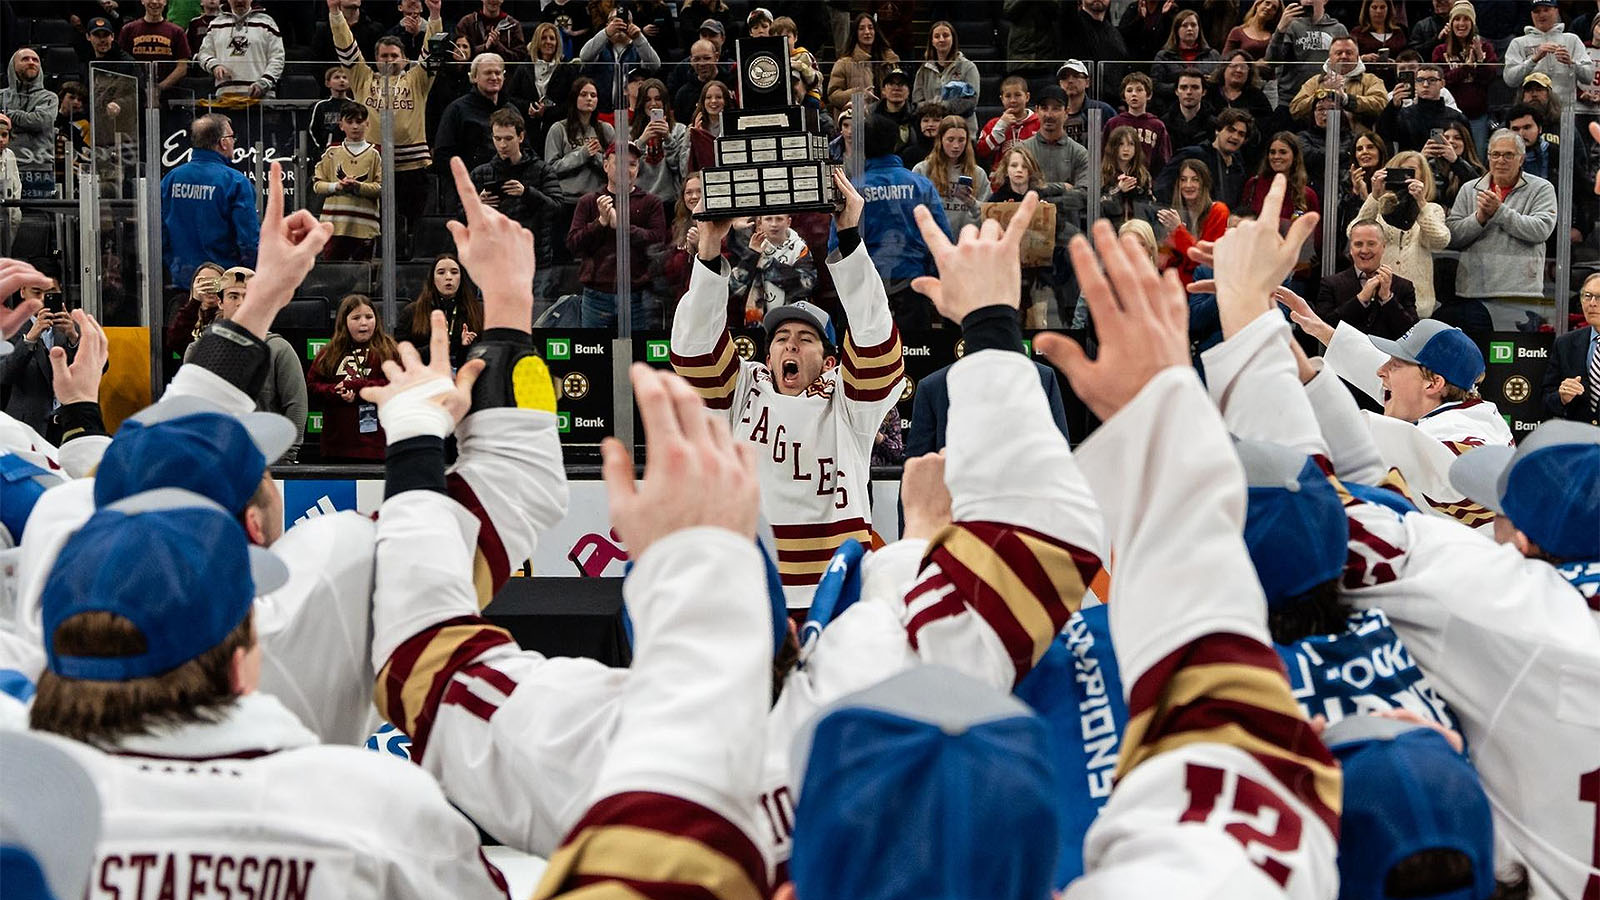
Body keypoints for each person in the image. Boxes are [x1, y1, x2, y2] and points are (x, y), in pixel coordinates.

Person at [674, 170, 904, 607]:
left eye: (805, 338)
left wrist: (851, 235)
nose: (790, 345)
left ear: (830, 360)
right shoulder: (744, 388)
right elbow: (694, 350)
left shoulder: (847, 404)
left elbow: (875, 338)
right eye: (780, 339)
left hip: (836, 590)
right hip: (754, 591)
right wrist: (708, 249)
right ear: (767, 355)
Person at [328, 0, 442, 252]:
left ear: (404, 59)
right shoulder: (362, 77)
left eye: (394, 56)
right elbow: (346, 47)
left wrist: (434, 15)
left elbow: (432, 54)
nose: (389, 60)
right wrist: (335, 12)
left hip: (412, 166)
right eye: (384, 56)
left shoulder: (417, 79)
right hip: (373, 166)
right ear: (376, 59)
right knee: (371, 229)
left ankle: (406, 274)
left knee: (411, 230)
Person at [829, 114, 950, 331]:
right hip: (913, 285)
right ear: (896, 143)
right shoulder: (921, 185)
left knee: (866, 360)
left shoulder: (850, 191)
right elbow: (943, 240)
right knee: (917, 358)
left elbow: (835, 247)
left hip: (864, 289)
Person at [181, 267, 307, 460]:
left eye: (247, 297)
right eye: (233, 296)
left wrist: (287, 455)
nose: (241, 303)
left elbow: (296, 405)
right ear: (221, 302)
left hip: (267, 460)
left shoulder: (278, 349)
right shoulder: (198, 351)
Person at [1443, 128, 1557, 332]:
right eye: (1495, 154)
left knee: (1514, 364)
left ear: (1521, 159)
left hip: (1520, 296)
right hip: (1473, 294)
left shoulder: (1542, 188)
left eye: (1508, 155)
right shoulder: (1470, 189)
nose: (1500, 160)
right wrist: (1480, 218)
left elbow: (1541, 230)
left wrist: (1499, 211)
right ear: (1488, 157)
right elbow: (1453, 236)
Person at [567, 142, 667, 330]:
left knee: (639, 356)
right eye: (620, 163)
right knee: (593, 352)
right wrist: (600, 223)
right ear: (605, 166)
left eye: (632, 164)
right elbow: (573, 244)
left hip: (638, 295)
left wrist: (621, 226)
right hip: (596, 296)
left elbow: (658, 242)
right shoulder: (589, 202)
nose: (626, 169)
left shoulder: (651, 202)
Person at [159, 114, 257, 289]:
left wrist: (173, 266)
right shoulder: (235, 182)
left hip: (181, 282)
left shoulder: (171, 179)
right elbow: (248, 241)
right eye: (232, 137)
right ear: (223, 142)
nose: (234, 141)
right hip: (223, 285)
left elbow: (160, 233)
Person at [1353, 151, 1450, 317]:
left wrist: (1420, 204)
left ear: (1422, 176)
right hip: (1377, 297)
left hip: (1417, 302)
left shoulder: (1432, 209)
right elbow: (1353, 233)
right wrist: (1375, 196)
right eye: (1398, 170)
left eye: (1410, 170)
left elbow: (1440, 241)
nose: (1404, 176)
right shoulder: (1378, 206)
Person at [470, 108, 563, 280]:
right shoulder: (479, 174)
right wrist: (477, 206)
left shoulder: (542, 170)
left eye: (508, 138)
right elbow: (462, 217)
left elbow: (557, 209)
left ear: (520, 137)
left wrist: (527, 193)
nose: (503, 145)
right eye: (497, 139)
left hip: (533, 259)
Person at [305, 293, 396, 461]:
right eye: (356, 318)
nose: (364, 323)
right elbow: (312, 386)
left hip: (377, 446)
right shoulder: (328, 353)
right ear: (344, 322)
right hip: (336, 446)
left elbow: (396, 387)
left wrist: (358, 387)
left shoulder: (388, 350)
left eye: (369, 317)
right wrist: (334, 390)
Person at [544, 77, 611, 269]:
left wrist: (597, 157)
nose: (589, 99)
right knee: (564, 261)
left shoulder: (606, 130)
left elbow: (615, 168)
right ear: (574, 98)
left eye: (593, 95)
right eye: (583, 94)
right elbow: (551, 168)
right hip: (566, 203)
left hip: (596, 203)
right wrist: (582, 154)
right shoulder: (558, 129)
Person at [1313, 218, 1419, 337]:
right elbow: (1322, 328)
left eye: (1371, 244)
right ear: (1351, 249)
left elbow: (1412, 334)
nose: (1364, 250)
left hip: (1388, 355)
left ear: (1383, 247)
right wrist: (1360, 299)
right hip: (1346, 354)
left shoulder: (1404, 286)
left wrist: (1387, 299)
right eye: (1358, 244)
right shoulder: (1330, 284)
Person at [1, 278, 77, 437]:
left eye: (50, 293)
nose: (43, 298)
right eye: (36, 292)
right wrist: (29, 340)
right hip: (27, 428)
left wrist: (74, 339)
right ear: (22, 291)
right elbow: (4, 374)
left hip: (70, 426)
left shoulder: (72, 326)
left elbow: (100, 368)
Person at [1241, 133, 1319, 278]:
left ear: (1294, 156)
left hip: (1293, 272)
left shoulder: (1307, 194)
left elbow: (1316, 237)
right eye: (1272, 152)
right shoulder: (1253, 185)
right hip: (1255, 267)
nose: (1276, 156)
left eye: (1283, 152)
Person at [313, 102, 382, 262]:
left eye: (359, 122)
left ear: (367, 123)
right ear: (341, 125)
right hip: (334, 226)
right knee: (332, 273)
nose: (355, 127)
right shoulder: (331, 152)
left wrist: (358, 187)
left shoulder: (375, 154)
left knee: (362, 277)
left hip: (364, 227)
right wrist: (336, 186)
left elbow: (380, 187)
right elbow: (317, 185)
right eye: (350, 122)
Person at [435, 53, 514, 183]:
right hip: (470, 188)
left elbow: (525, 150)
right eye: (488, 73)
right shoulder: (456, 110)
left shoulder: (512, 110)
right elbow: (442, 157)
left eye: (498, 73)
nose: (494, 77)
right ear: (474, 77)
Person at [397, 253, 482, 368]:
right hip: (424, 378)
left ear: (461, 278)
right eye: (441, 272)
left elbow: (485, 354)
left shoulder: (477, 311)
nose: (448, 277)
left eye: (454, 272)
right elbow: (400, 355)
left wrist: (464, 347)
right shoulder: (412, 312)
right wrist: (434, 348)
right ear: (432, 279)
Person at [729, 213, 817, 322]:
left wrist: (768, 262)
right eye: (768, 219)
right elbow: (734, 287)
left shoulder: (800, 248)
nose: (774, 224)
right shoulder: (748, 244)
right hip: (754, 321)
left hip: (791, 319)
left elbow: (807, 284)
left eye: (779, 219)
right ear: (760, 222)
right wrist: (752, 255)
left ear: (788, 222)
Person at [911, 116, 990, 238]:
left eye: (961, 140)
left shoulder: (978, 174)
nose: (956, 146)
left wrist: (971, 202)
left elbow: (987, 216)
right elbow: (913, 210)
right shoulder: (922, 170)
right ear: (940, 140)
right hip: (933, 242)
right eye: (950, 139)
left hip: (967, 243)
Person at [1160, 107, 1253, 210]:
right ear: (1218, 130)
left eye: (1241, 134)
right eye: (1231, 130)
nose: (1235, 137)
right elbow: (1162, 187)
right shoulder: (1193, 154)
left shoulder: (1239, 168)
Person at [1503, 0, 1596, 102]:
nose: (1541, 15)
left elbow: (1588, 77)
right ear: (1531, 15)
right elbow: (1510, 80)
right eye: (1537, 11)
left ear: (1556, 11)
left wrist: (1572, 63)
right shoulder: (1518, 43)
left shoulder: (1572, 40)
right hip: (1531, 111)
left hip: (1564, 109)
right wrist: (1533, 60)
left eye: (1546, 10)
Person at [1265, 0, 1350, 110]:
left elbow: (1347, 64)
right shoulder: (1291, 25)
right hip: (1291, 100)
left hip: (1327, 100)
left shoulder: (1338, 29)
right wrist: (1280, 30)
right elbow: (1272, 60)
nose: (1309, 1)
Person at [1289, 34, 1389, 127]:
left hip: (1359, 139)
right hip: (1318, 137)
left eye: (1349, 53)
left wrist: (1346, 99)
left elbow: (1382, 104)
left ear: (1358, 57)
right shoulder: (1315, 81)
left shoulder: (1371, 80)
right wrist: (1322, 94)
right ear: (1330, 57)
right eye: (1339, 53)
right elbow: (1295, 109)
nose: (1344, 56)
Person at [1433, 1, 1496, 144]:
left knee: (1478, 159)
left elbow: (1489, 78)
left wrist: (1480, 60)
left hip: (1477, 116)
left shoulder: (1485, 46)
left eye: (1466, 19)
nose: (1461, 23)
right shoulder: (1440, 50)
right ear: (1451, 22)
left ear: (1473, 23)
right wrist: (1466, 68)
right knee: (1442, 155)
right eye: (1457, 19)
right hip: (1446, 117)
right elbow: (1443, 81)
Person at [1541, 272, 1600, 425]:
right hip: (1578, 439)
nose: (1592, 303)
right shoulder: (1565, 344)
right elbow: (1546, 400)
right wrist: (1562, 398)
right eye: (1588, 296)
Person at [1158, 159, 1228, 286]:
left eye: (1195, 179)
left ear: (1204, 183)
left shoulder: (1218, 211)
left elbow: (1205, 260)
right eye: (1183, 180)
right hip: (1175, 287)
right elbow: (1164, 262)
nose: (1188, 185)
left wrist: (1178, 230)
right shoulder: (1175, 214)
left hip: (1201, 291)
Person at [578, 6, 661, 113]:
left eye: (625, 20)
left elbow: (655, 65)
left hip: (632, 112)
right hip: (600, 112)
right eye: (614, 20)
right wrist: (606, 33)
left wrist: (638, 38)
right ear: (607, 25)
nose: (619, 24)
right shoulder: (599, 47)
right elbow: (584, 56)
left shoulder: (639, 48)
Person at [505, 22, 574, 150]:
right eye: (543, 38)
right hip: (528, 130)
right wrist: (530, 107)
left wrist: (547, 111)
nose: (548, 42)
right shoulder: (524, 67)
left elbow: (571, 102)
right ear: (537, 41)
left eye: (552, 38)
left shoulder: (567, 69)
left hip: (557, 129)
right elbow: (510, 97)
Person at [195, 0, 284, 98]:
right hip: (225, 96)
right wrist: (214, 66)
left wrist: (264, 82)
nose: (240, 1)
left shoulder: (267, 23)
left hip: (262, 98)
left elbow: (277, 58)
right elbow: (204, 53)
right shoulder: (216, 24)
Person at [0, 49, 57, 199]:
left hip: (40, 171)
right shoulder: (1, 96)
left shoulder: (50, 98)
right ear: (13, 65)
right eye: (25, 59)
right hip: (4, 167)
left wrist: (8, 114)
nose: (31, 62)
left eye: (35, 60)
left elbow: (40, 121)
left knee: (42, 220)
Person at [1376, 61, 1467, 152]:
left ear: (1442, 83)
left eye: (1432, 80)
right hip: (1412, 164)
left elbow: (1468, 152)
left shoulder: (1456, 118)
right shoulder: (1403, 115)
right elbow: (1383, 134)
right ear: (1414, 84)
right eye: (1420, 80)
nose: (1425, 85)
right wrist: (1393, 107)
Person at [626, 77, 686, 207]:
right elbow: (627, 171)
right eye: (648, 99)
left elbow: (679, 167)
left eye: (658, 99)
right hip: (639, 201)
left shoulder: (679, 130)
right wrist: (642, 141)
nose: (653, 104)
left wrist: (668, 138)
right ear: (641, 103)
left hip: (670, 201)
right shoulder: (629, 133)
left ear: (665, 102)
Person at [911, 20, 979, 135]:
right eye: (937, 36)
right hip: (932, 134)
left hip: (962, 133)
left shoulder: (968, 67)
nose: (941, 39)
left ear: (953, 39)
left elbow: (971, 102)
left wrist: (942, 106)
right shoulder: (924, 70)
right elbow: (917, 102)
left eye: (946, 35)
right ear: (932, 41)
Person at [826, 12, 900, 113]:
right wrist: (858, 93)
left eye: (870, 27)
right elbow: (833, 95)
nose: (867, 32)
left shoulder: (888, 61)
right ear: (855, 33)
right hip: (856, 119)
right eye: (861, 28)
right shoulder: (844, 63)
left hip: (885, 117)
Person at [117, 0, 189, 95]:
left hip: (168, 95)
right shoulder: (128, 29)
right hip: (134, 93)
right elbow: (120, 63)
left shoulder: (177, 32)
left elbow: (182, 68)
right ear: (142, 1)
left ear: (165, 2)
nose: (155, 2)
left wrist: (159, 88)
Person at [1105, 72, 1171, 173]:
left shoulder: (1157, 125)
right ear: (1124, 95)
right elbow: (1104, 155)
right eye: (1129, 90)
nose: (1134, 94)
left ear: (1148, 95)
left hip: (1148, 180)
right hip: (1116, 180)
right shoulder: (1113, 123)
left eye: (1139, 90)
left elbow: (1164, 160)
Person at [1099, 125, 1158, 232]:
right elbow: (1098, 205)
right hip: (1110, 231)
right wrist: (1118, 190)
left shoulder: (1143, 175)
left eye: (1131, 144)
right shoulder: (1102, 174)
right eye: (1121, 144)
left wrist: (1137, 191)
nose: (1126, 149)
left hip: (1137, 231)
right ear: (1113, 146)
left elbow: (1149, 206)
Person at [163, 261, 225, 361]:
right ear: (194, 286)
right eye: (203, 282)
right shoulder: (186, 310)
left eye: (215, 282)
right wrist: (195, 301)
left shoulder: (229, 315)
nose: (209, 287)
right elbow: (174, 343)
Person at [977, 75, 1039, 167]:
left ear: (1027, 97)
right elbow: (981, 152)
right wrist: (1000, 127)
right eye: (1008, 96)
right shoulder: (994, 124)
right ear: (1002, 99)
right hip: (1000, 177)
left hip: (1030, 175)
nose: (1013, 100)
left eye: (1018, 95)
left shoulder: (1038, 123)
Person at [1056, 60, 1116, 151]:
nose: (1070, 81)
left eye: (1076, 76)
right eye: (1065, 77)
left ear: (1087, 82)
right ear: (1060, 83)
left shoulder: (1102, 111)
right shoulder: (1053, 113)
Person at [1151, 10, 1222, 86]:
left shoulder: (1213, 55)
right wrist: (1180, 88)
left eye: (1193, 25)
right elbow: (1156, 85)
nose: (1189, 29)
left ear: (1199, 29)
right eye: (1184, 25)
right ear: (1176, 30)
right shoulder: (1164, 56)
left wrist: (1208, 83)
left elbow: (1221, 83)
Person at [671, 39, 730, 126]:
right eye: (697, 59)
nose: (702, 63)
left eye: (707, 58)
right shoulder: (683, 94)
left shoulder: (732, 82)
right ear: (691, 61)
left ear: (716, 57)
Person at [1161, 69, 1215, 155]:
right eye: (1183, 87)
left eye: (1195, 87)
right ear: (1176, 91)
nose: (1189, 92)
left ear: (1204, 92)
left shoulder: (1214, 125)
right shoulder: (1164, 124)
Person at [456, 0, 526, 61]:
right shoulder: (466, 22)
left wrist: (498, 45)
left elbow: (520, 57)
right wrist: (485, 47)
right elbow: (458, 54)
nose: (493, 0)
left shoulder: (513, 25)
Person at [307, 65, 353, 154]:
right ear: (328, 83)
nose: (341, 80)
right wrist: (321, 149)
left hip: (350, 152)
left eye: (345, 77)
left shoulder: (354, 105)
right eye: (337, 77)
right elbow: (312, 130)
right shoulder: (321, 106)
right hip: (327, 152)